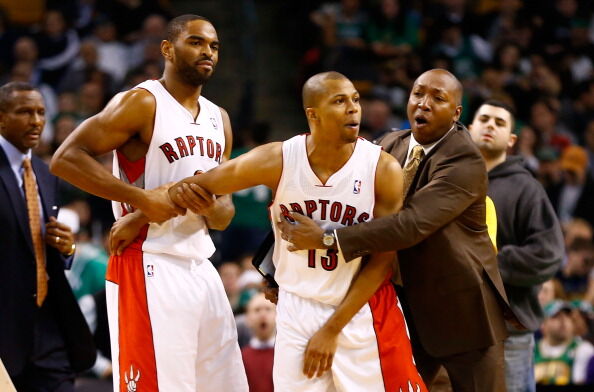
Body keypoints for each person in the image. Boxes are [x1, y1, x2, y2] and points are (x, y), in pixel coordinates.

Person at [159, 71, 427, 391]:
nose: (353, 108)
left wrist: (331, 330)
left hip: (361, 311)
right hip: (296, 308)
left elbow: (384, 260)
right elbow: (198, 185)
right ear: (312, 114)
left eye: (355, 100)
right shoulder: (278, 158)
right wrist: (138, 216)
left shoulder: (381, 168)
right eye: (339, 101)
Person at [278, 69, 516, 391]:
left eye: (438, 98)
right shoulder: (392, 143)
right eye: (418, 94)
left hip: (461, 314)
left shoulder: (465, 160)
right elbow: (329, 200)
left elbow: (411, 225)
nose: (424, 103)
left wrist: (326, 239)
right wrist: (272, 270)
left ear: (456, 113)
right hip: (407, 307)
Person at [49, 15, 248, 391]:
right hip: (149, 260)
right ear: (168, 49)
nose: (207, 51)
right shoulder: (142, 102)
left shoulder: (218, 118)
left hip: (202, 265)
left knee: (224, 384)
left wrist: (203, 202)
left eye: (214, 46)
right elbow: (65, 157)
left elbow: (225, 216)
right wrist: (139, 199)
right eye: (196, 42)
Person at [0, 81, 95, 391]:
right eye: (25, 112)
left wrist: (64, 250)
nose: (36, 120)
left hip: (47, 324)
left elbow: (35, 248)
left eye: (41, 112)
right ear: (1, 117)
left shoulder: (45, 172)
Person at [468, 100, 564, 392]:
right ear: (470, 128)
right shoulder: (450, 181)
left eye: (499, 123)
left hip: (507, 334)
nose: (489, 126)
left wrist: (491, 263)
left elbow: (549, 253)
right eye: (484, 119)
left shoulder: (526, 188)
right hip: (453, 330)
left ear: (511, 140)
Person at [535, 300, 594, 385]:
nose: (563, 320)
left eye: (567, 316)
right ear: (543, 324)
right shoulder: (531, 350)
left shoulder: (583, 349)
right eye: (555, 316)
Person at [241, 292, 276, 392]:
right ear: (248, 318)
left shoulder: (285, 354)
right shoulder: (241, 357)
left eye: (268, 309)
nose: (262, 314)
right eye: (257, 310)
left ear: (277, 316)